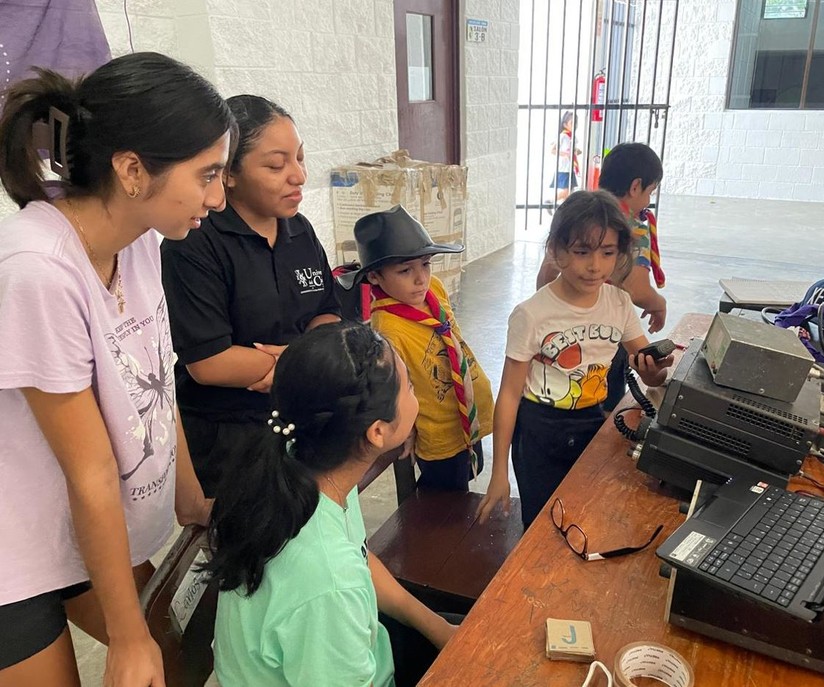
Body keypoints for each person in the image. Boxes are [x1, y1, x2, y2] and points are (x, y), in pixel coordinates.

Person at [0, 52, 232, 686]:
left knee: (175, 651)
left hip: (77, 523)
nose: (216, 197)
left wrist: (190, 496)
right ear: (132, 170)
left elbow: (157, 378)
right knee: (138, 655)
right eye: (207, 174)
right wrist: (126, 638)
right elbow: (91, 469)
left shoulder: (141, 244)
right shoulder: (39, 270)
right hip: (13, 549)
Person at [208, 322, 458, 687]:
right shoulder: (328, 580)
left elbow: (358, 557)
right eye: (409, 387)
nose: (414, 393)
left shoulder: (306, 461)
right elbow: (339, 579)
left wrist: (438, 628)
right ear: (377, 432)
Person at [161, 95, 341, 497]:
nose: (298, 175)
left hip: (303, 413)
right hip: (230, 436)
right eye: (277, 165)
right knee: (253, 549)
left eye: (300, 158)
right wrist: (303, 362)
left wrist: (293, 365)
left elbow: (327, 314)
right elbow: (208, 362)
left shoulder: (299, 231)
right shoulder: (194, 243)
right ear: (229, 175)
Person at [475, 190, 674, 528]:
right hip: (540, 432)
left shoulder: (619, 304)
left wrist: (653, 372)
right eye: (582, 252)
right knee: (541, 526)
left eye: (607, 252)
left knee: (586, 517)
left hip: (593, 423)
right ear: (556, 251)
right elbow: (509, 395)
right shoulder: (532, 314)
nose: (595, 266)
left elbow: (649, 372)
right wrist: (499, 473)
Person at [337, 206, 494, 491]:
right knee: (447, 497)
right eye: (405, 270)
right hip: (439, 432)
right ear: (375, 277)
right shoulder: (388, 331)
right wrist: (403, 427)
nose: (420, 278)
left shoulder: (433, 288)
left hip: (467, 411)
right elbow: (394, 387)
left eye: (425, 263)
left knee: (472, 470)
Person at [536, 142, 668, 409]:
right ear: (635, 186)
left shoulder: (575, 214)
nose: (595, 265)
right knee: (600, 404)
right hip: (601, 337)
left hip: (555, 325)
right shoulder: (629, 228)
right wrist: (659, 304)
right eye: (649, 193)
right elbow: (639, 291)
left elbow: (545, 276)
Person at [548, 111, 581, 206]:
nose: (574, 125)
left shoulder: (573, 137)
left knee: (569, 193)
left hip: (570, 167)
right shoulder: (562, 136)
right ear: (565, 124)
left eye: (576, 123)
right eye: (572, 123)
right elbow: (552, 150)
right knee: (566, 191)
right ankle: (549, 202)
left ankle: (563, 212)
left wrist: (576, 151)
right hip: (563, 168)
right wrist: (565, 154)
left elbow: (574, 150)